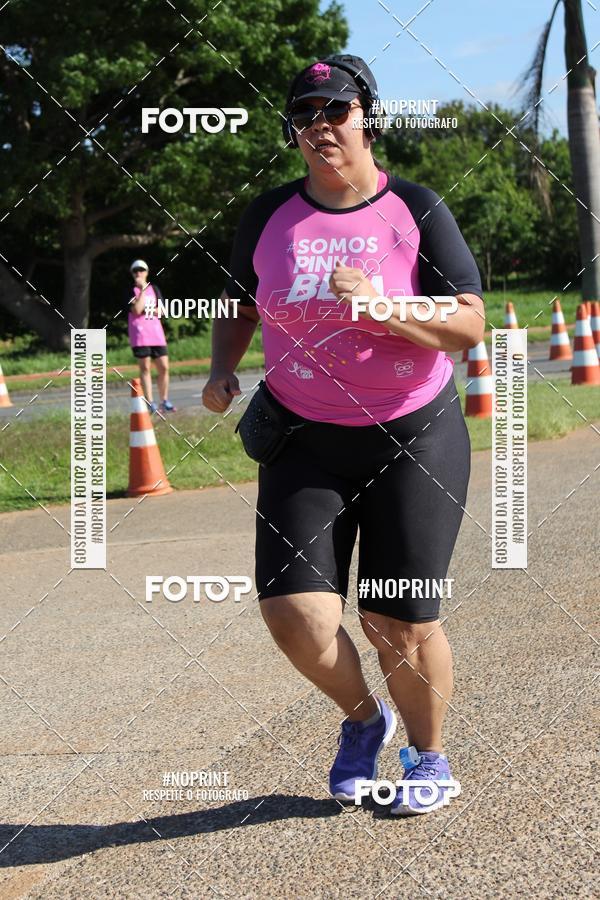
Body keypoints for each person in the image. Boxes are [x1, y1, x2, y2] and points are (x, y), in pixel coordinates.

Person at [202, 55, 485, 816]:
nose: (320, 126)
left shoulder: (416, 209)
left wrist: (384, 308)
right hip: (305, 437)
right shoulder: (267, 214)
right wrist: (223, 368)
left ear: (366, 114)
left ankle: (429, 758)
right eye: (304, 115)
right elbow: (240, 301)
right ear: (291, 130)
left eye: (335, 109)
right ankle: (366, 719)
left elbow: (467, 323)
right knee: (294, 614)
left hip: (412, 437)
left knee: (398, 614)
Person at [127, 259, 176, 414]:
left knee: (164, 367)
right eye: (135, 271)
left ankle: (165, 400)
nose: (138, 273)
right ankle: (151, 403)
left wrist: (146, 309)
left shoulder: (154, 289)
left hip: (156, 334)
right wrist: (141, 290)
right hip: (140, 335)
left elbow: (161, 311)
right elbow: (136, 310)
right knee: (145, 367)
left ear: (147, 272)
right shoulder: (131, 290)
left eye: (141, 270)